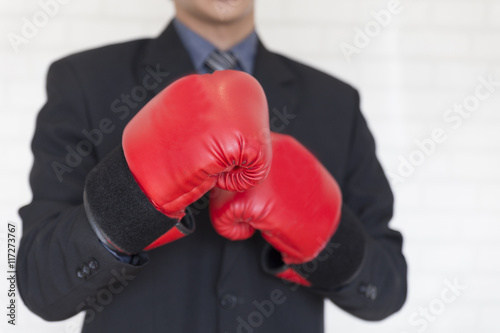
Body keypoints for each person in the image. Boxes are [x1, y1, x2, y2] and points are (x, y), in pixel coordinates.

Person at [17, 0, 407, 332]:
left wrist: (324, 237)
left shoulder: (335, 102)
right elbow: (40, 284)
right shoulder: (84, 80)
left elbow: (387, 288)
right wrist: (133, 200)